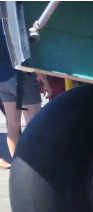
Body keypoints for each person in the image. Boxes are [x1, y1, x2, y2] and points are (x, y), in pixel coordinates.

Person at [0, 36, 41, 169]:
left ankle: (18, 167)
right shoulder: (10, 17)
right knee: (35, 124)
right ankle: (37, 166)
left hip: (3, 77)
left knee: (12, 125)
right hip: (22, 74)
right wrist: (44, 79)